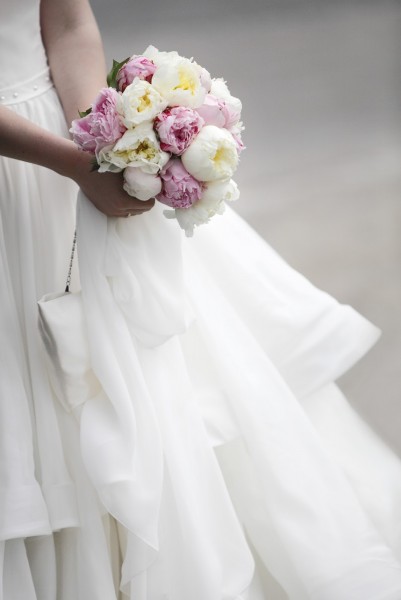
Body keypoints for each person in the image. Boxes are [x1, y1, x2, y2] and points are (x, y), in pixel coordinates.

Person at [1, 1, 401, 599]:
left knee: (156, 384)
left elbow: (66, 21)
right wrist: (73, 163)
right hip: (32, 160)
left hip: (63, 141)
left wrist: (108, 145)